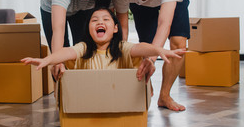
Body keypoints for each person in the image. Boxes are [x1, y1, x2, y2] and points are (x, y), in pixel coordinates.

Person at [112, 0, 190, 111]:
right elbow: (123, 32)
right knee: (144, 46)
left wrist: (152, 60)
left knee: (178, 44)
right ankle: (145, 87)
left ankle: (165, 96)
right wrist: (122, 55)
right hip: (140, 4)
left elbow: (164, 24)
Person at [22, 7, 185, 82]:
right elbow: (66, 52)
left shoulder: (121, 47)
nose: (100, 22)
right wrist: (48, 60)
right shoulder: (84, 48)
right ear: (89, 29)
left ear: (115, 28)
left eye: (106, 19)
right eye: (95, 20)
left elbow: (139, 47)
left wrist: (156, 49)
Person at [40, 0, 112, 80]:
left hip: (81, 9)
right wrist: (57, 62)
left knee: (83, 48)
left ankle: (81, 86)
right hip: (52, 10)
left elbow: (110, 26)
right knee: (61, 54)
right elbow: (58, 29)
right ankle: (60, 93)